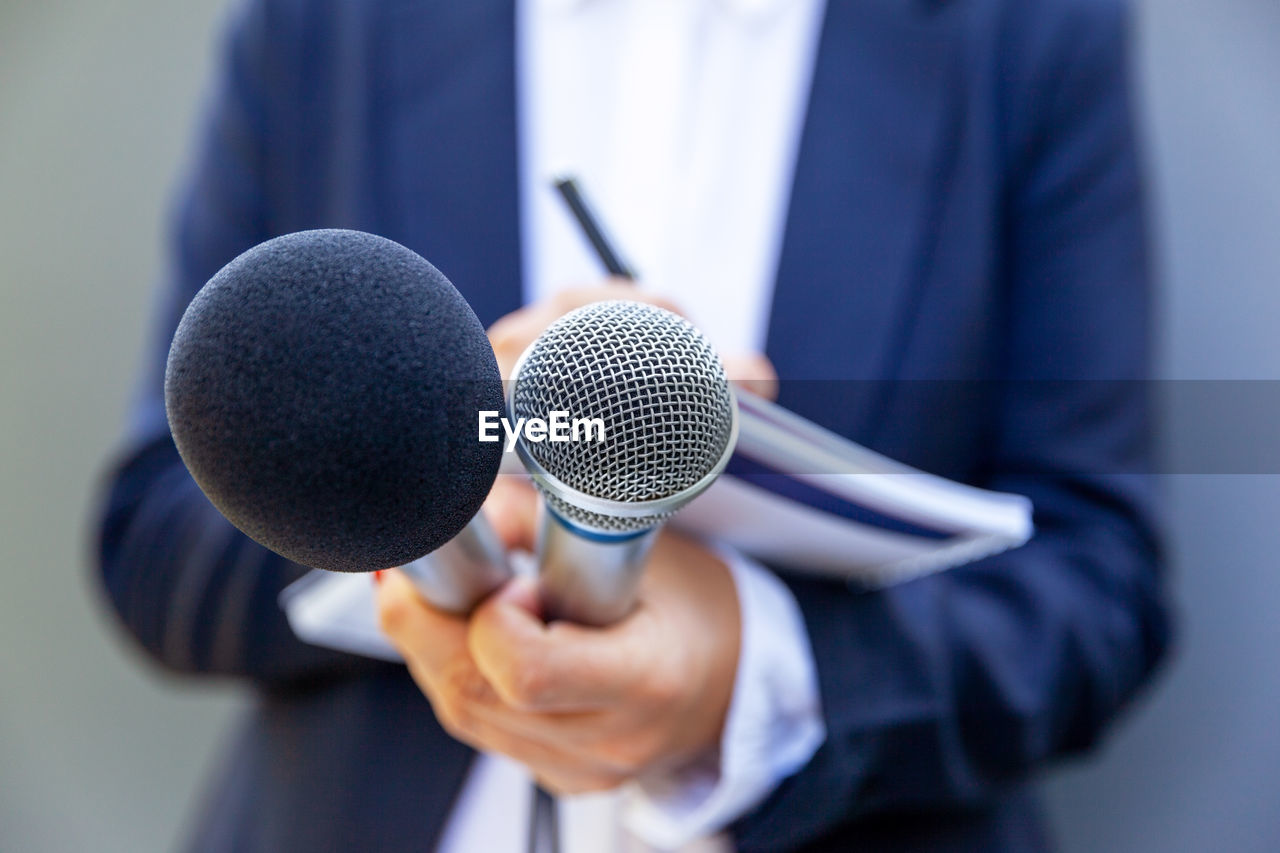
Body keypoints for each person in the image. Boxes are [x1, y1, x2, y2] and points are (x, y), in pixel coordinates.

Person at [95, 0, 1172, 850]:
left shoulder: (1028, 29)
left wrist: (743, 673)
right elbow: (158, 547)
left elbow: (1097, 583)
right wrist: (428, 448)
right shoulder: (323, 21)